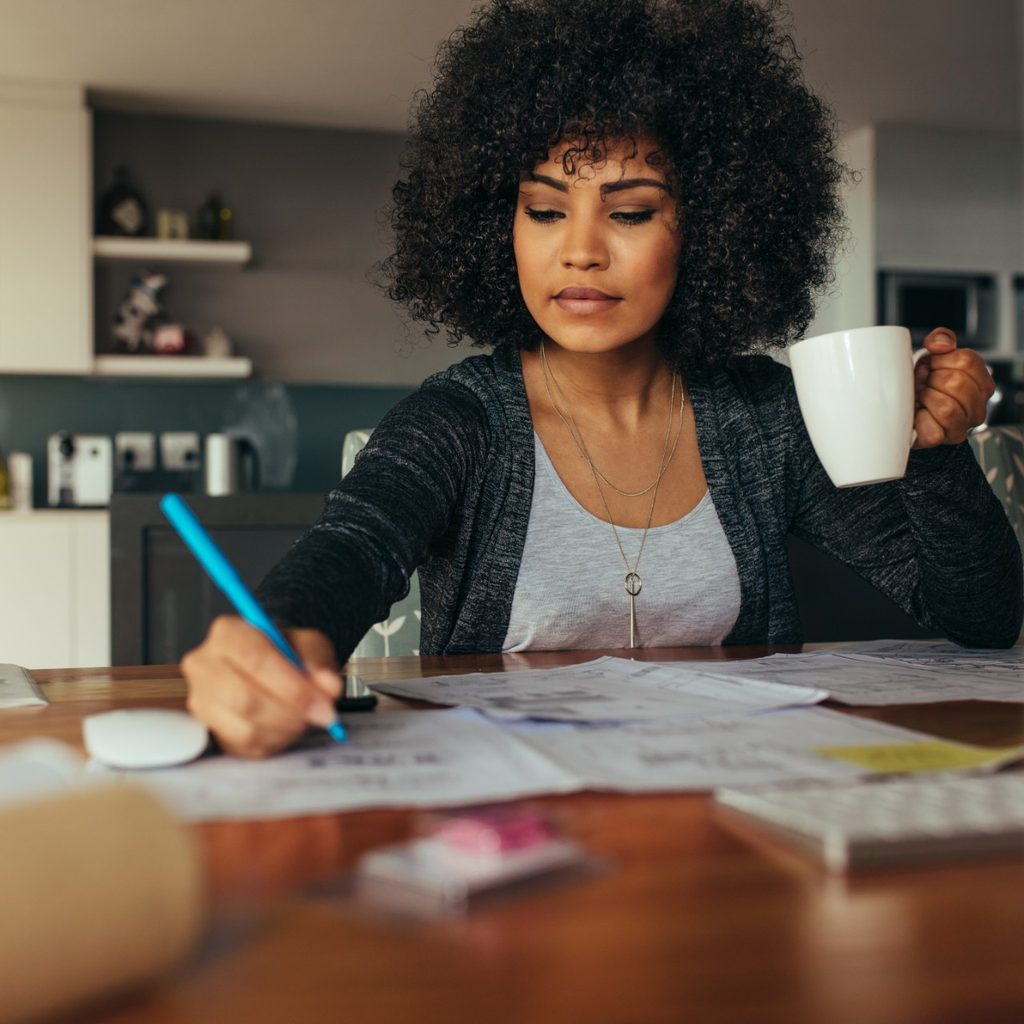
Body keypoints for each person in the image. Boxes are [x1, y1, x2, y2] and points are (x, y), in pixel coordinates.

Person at [182, 0, 1023, 758]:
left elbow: (981, 618)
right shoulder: (459, 422)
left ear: (711, 230)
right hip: (507, 827)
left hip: (727, 825)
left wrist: (939, 449)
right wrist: (278, 641)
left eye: (629, 212)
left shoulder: (763, 419)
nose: (580, 248)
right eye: (545, 209)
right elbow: (350, 551)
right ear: (496, 224)